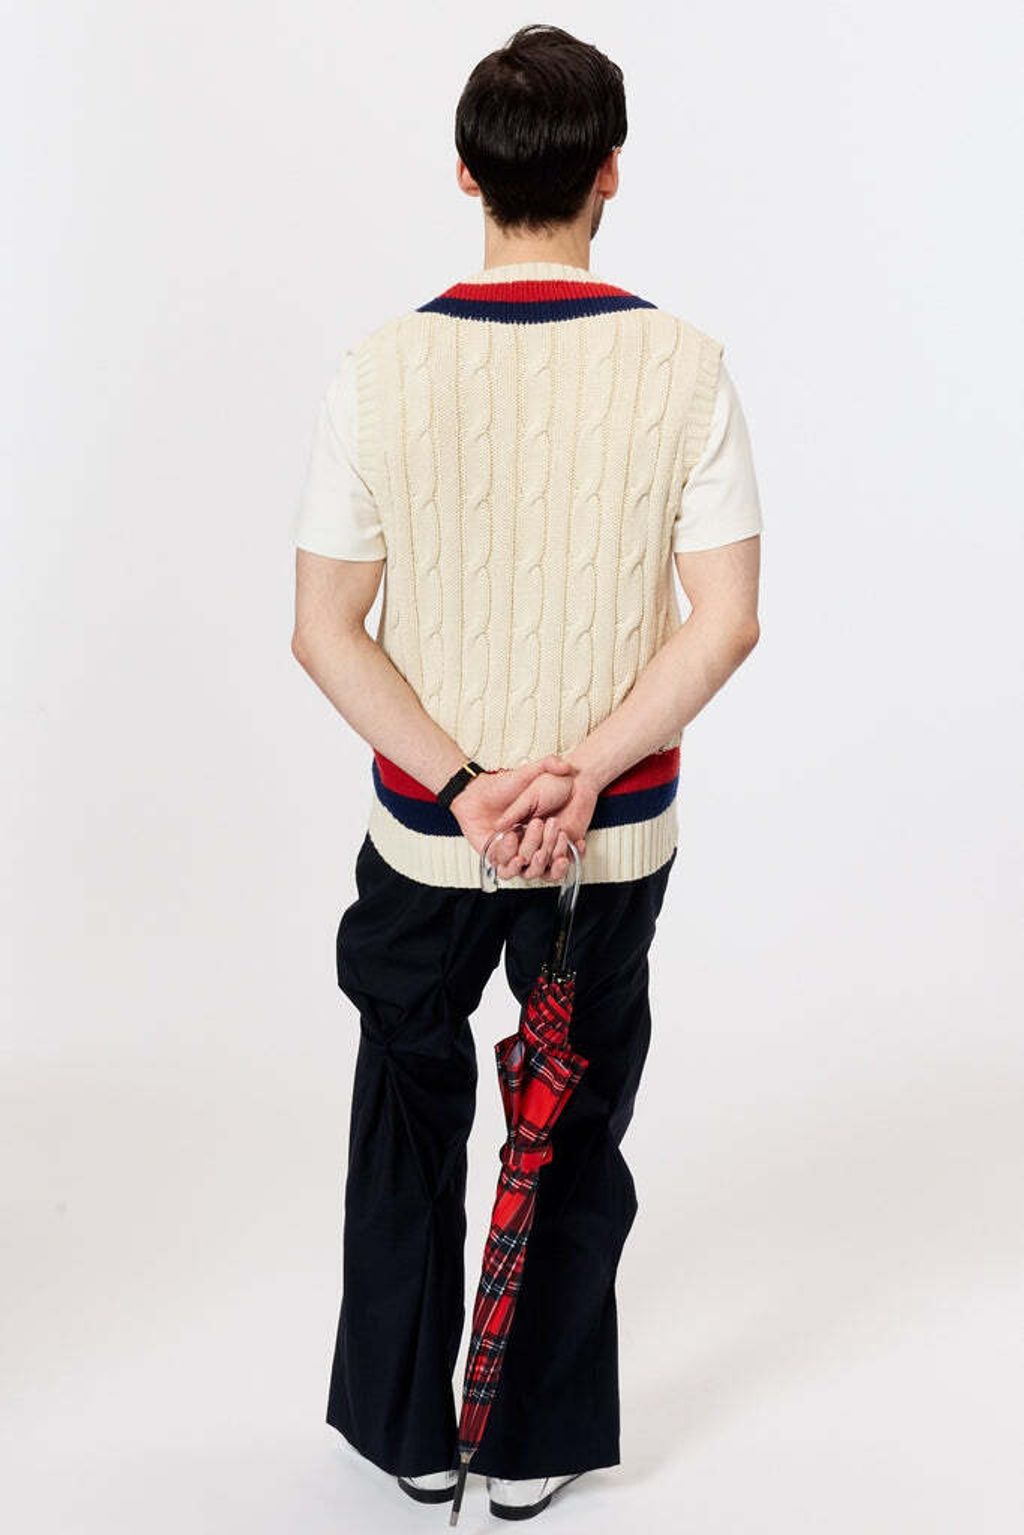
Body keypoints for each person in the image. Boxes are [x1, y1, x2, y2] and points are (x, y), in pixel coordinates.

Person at [290, 22, 763, 1522]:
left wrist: (467, 786)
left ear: (464, 173)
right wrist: (585, 772)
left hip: (431, 832)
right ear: (611, 172)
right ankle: (533, 1434)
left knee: (406, 1098)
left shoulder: (377, 373)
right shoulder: (687, 370)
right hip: (609, 834)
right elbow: (726, 618)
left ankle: (406, 1430)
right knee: (577, 1113)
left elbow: (324, 628)